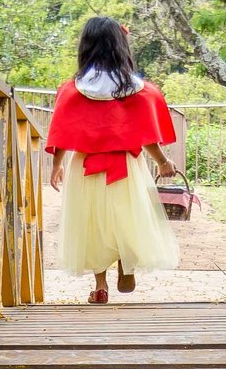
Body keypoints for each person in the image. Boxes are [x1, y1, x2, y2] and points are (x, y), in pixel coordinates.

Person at [45, 17, 180, 303]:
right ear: (121, 45)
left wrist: (57, 165)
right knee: (126, 216)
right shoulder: (140, 91)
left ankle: (100, 286)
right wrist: (162, 162)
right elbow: (147, 137)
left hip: (86, 166)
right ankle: (125, 261)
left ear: (86, 47)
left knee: (90, 223)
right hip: (127, 166)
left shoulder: (72, 90)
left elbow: (63, 132)